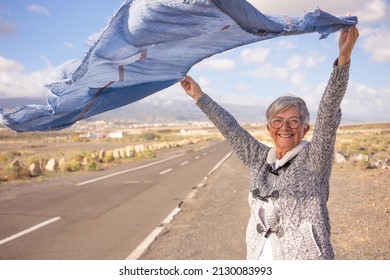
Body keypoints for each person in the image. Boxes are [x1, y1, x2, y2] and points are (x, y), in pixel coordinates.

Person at [180, 25, 359, 260]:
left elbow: (327, 112)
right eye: (277, 121)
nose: (285, 127)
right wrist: (199, 97)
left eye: (294, 121)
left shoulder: (315, 159)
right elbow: (231, 129)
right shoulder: (259, 159)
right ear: (268, 128)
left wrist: (343, 60)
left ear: (305, 129)